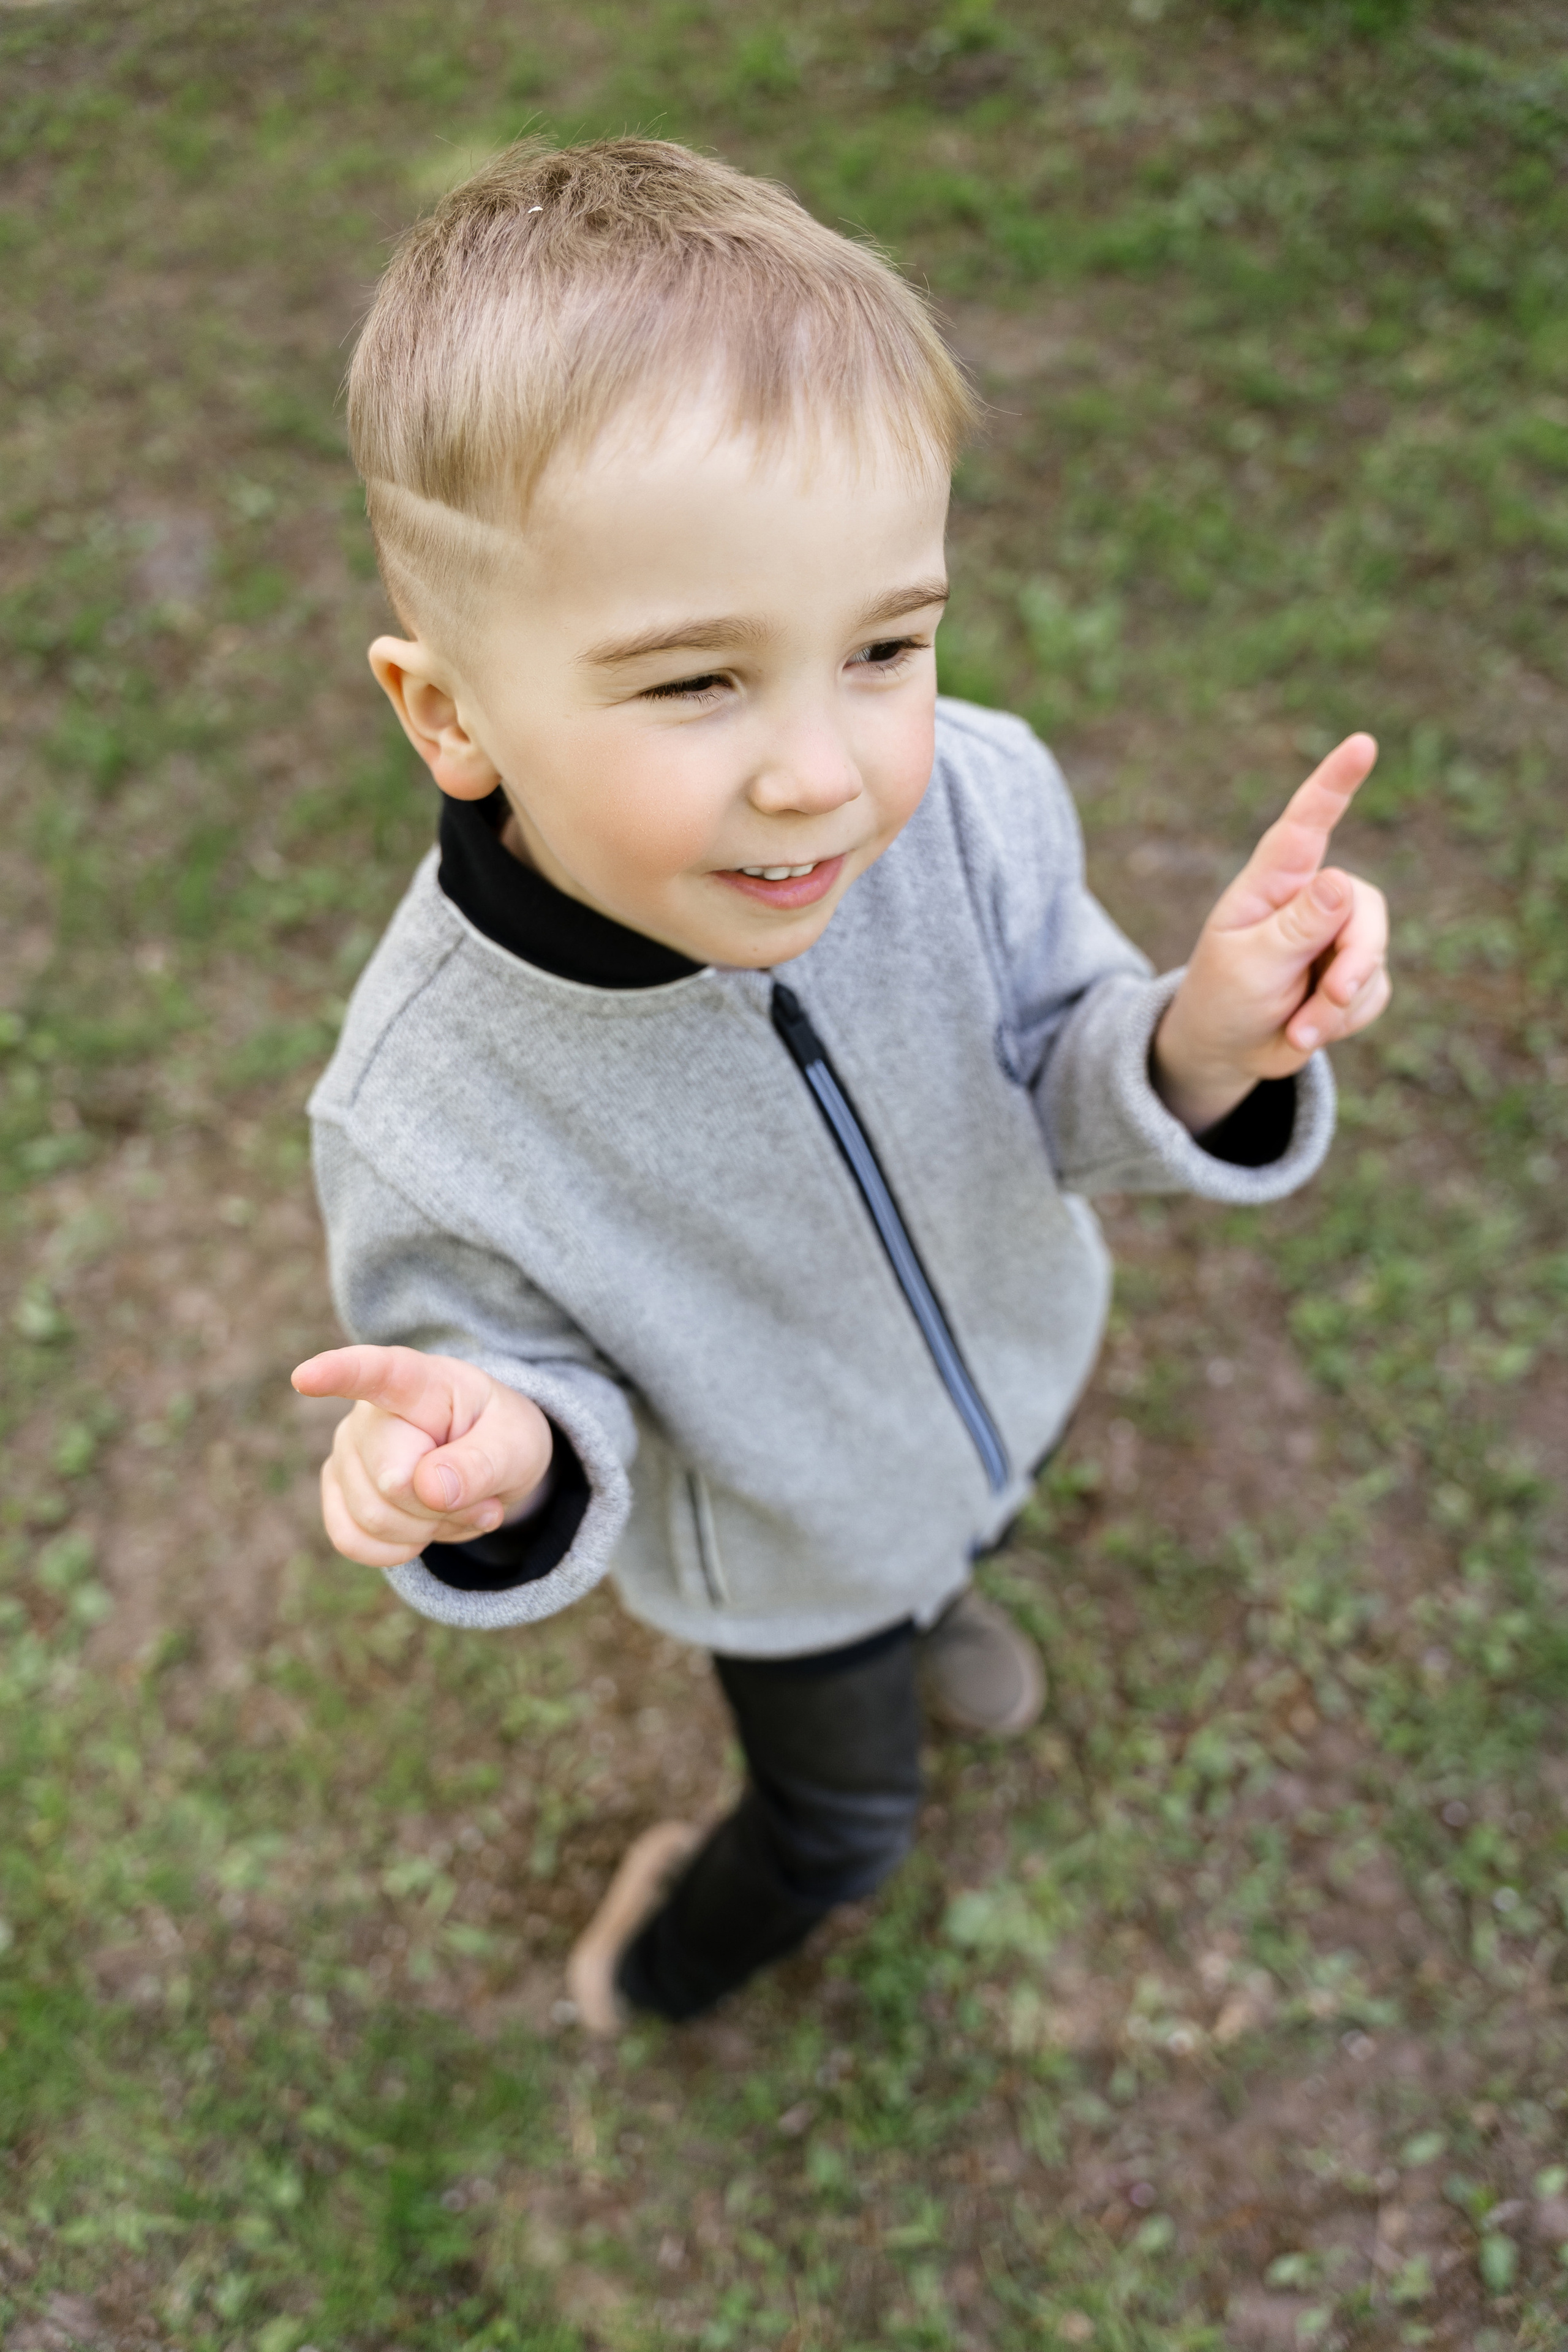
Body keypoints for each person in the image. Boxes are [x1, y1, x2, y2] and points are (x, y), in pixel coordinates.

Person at [292, 137, 1390, 2034]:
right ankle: (654, 1964)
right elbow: (524, 1381)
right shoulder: (428, 1113)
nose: (822, 771)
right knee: (846, 1828)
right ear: (451, 712)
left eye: (884, 645)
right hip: (785, 1559)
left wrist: (1209, 1034)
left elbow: (1060, 1070)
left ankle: (943, 1587)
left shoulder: (974, 800)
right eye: (695, 681)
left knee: (975, 1513)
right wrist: (502, 1457)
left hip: (998, 1390)